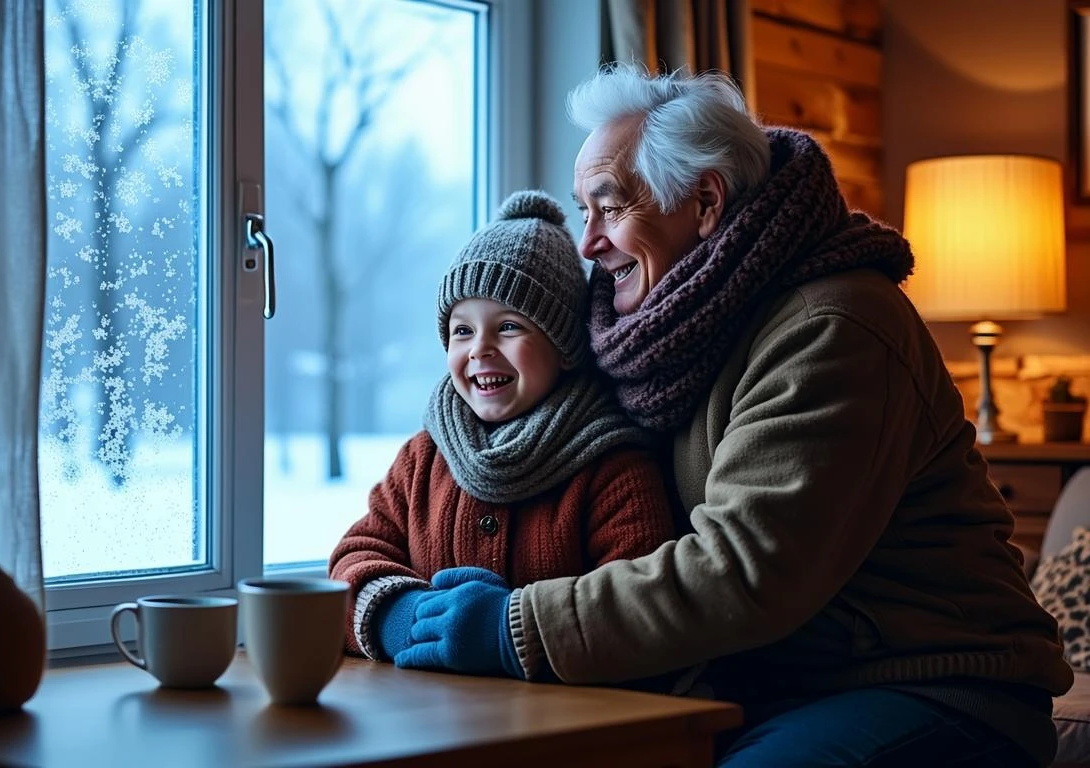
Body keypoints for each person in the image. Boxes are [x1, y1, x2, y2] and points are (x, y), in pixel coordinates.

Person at [392, 65, 1074, 767]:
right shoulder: (659, 334)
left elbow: (745, 571)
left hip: (932, 687)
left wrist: (512, 628)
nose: (588, 242)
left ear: (706, 202)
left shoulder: (834, 326)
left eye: (609, 207)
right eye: (582, 211)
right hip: (770, 684)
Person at [328, 190, 679, 676]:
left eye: (509, 327)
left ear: (564, 348)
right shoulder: (424, 458)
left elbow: (638, 608)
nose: (480, 350)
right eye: (462, 331)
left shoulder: (612, 467)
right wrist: (401, 617)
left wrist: (514, 633)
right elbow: (356, 554)